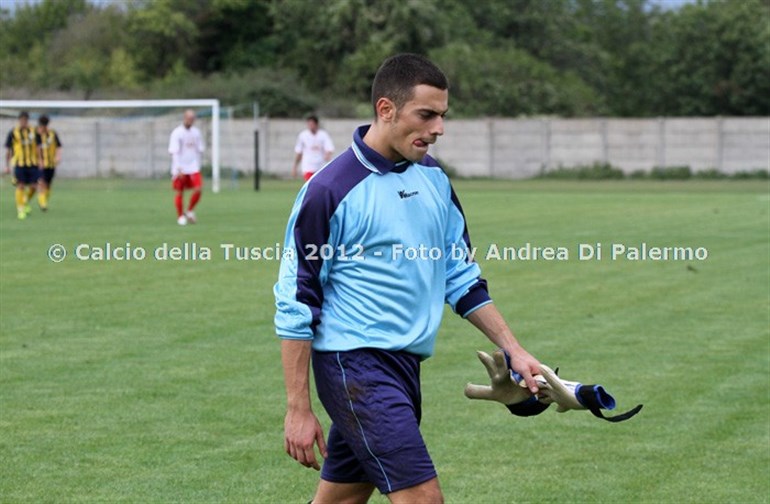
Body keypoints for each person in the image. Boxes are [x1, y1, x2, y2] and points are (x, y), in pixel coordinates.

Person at [274, 54, 542, 504]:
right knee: (422, 497)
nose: (438, 128)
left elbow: (460, 276)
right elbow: (296, 302)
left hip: (404, 367)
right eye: (427, 115)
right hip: (353, 364)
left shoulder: (434, 179)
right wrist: (298, 408)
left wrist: (514, 349)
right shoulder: (329, 190)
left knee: (340, 498)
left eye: (443, 115)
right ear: (386, 109)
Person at [168, 109, 205, 226]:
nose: (190, 120)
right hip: (181, 168)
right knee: (180, 192)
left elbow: (200, 149)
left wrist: (198, 163)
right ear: (184, 118)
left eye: (192, 118)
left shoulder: (196, 132)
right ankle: (180, 216)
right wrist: (178, 168)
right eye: (189, 118)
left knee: (198, 189)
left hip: (193, 167)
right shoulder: (177, 133)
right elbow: (174, 152)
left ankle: (189, 211)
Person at [4, 111, 41, 220]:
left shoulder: (34, 131)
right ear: (19, 120)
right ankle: (20, 210)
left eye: (25, 120)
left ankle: (25, 201)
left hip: (32, 163)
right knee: (20, 185)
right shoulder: (13, 132)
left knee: (34, 187)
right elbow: (8, 149)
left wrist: (40, 161)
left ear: (27, 120)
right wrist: (7, 165)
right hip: (19, 163)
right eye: (22, 120)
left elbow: (38, 148)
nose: (23, 122)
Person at [291, 115, 334, 181]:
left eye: (312, 124)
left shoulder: (323, 135)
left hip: (320, 165)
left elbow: (329, 148)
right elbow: (299, 152)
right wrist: (295, 167)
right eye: (309, 124)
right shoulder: (303, 135)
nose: (310, 126)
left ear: (316, 124)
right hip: (308, 166)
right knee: (310, 185)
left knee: (319, 185)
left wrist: (327, 154)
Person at [36, 115, 62, 212]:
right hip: (41, 165)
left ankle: (43, 201)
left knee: (48, 185)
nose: (43, 128)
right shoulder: (37, 135)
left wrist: (58, 156)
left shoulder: (53, 134)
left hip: (51, 164)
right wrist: (39, 160)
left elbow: (59, 146)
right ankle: (43, 204)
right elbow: (36, 148)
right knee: (42, 183)